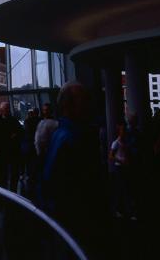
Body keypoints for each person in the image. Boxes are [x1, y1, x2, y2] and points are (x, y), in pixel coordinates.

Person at [42, 82, 108, 256]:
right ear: (68, 106)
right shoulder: (75, 140)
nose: (88, 105)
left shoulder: (59, 135)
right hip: (78, 227)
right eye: (83, 100)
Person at [0, 101, 23, 192]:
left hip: (6, 150)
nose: (7, 110)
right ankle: (10, 191)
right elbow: (20, 132)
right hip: (9, 150)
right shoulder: (13, 121)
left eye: (7, 109)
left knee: (6, 173)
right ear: (2, 109)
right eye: (6, 109)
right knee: (7, 173)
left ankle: (5, 192)